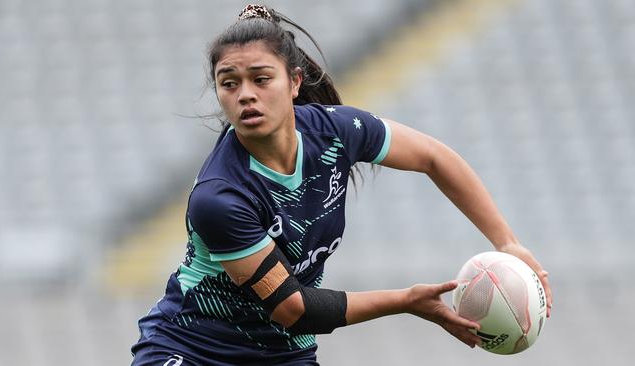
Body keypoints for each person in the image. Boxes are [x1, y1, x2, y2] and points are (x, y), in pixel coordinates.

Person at [130, 4, 553, 365]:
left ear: (294, 82)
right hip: (192, 347)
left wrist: (507, 241)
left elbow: (433, 157)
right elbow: (293, 309)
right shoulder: (220, 197)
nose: (245, 95)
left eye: (261, 79)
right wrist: (406, 300)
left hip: (283, 353)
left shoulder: (337, 131)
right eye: (229, 83)